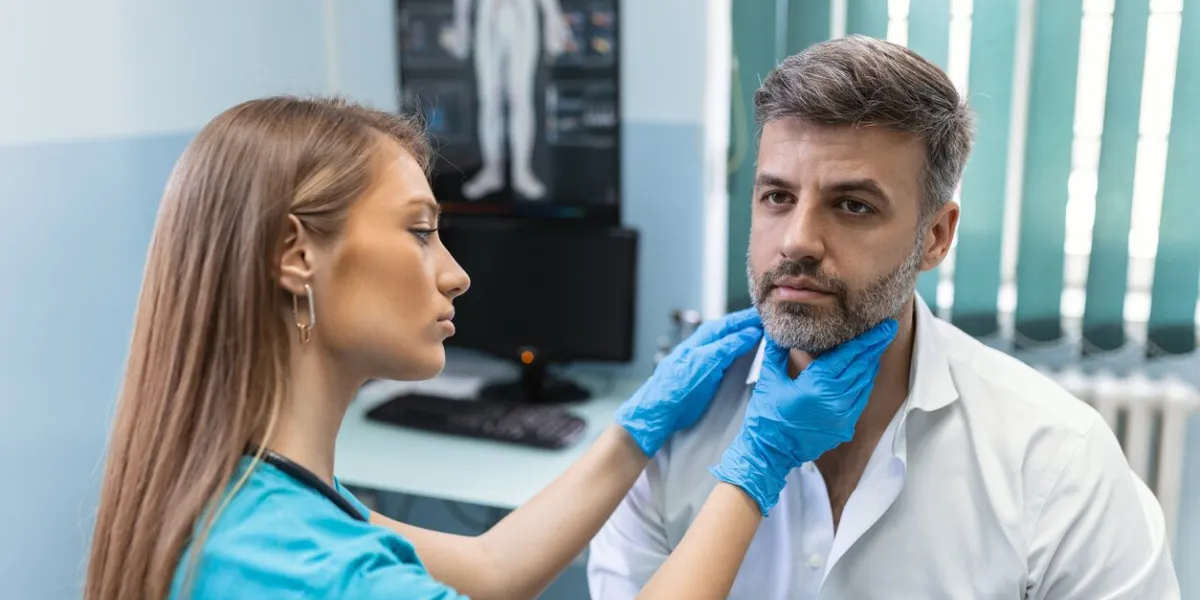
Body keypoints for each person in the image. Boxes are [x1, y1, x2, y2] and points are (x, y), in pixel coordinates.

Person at [83, 95, 898, 600]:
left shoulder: (258, 497)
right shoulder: (310, 572)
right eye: (420, 231)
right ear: (298, 255)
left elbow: (494, 571)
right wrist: (758, 461)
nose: (457, 276)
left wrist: (634, 429)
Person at [588, 35, 1181, 599]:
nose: (796, 242)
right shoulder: (674, 434)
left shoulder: (1055, 463)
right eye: (777, 196)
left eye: (852, 205)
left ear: (936, 236)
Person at [445, 0, 572, 200]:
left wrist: (553, 18)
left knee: (520, 97)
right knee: (489, 99)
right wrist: (460, 27)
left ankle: (521, 171)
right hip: (488, 13)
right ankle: (492, 170)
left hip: (521, 11)